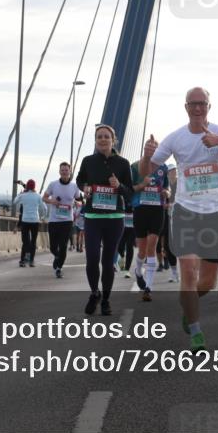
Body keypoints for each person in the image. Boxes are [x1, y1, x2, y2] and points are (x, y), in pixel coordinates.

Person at [141, 87, 218, 351]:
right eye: (192, 104)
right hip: (185, 212)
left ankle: (188, 305)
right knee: (189, 273)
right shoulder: (175, 138)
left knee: (208, 282)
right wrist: (147, 155)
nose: (197, 108)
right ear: (186, 107)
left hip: (215, 213)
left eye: (201, 103)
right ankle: (195, 331)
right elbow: (147, 171)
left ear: (208, 106)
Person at [75, 124, 133, 316]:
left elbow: (130, 193)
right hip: (93, 217)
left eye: (106, 136)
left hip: (115, 218)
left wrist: (119, 186)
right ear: (95, 140)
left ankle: (106, 300)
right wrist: (85, 187)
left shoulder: (123, 163)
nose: (102, 139)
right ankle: (95, 293)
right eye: (99, 136)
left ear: (113, 140)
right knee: (92, 259)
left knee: (107, 261)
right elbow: (80, 180)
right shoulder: (88, 161)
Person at [130, 159, 170, 301]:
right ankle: (138, 271)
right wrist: (142, 185)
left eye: (155, 149)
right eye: (149, 148)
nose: (152, 151)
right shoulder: (135, 166)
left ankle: (148, 287)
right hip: (140, 209)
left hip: (157, 210)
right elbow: (130, 188)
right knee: (142, 250)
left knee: (152, 246)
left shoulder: (163, 167)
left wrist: (166, 193)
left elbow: (167, 188)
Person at [43, 162, 82, 278]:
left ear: (70, 172)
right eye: (62, 170)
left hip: (67, 221)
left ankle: (59, 268)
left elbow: (80, 201)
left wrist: (77, 203)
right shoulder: (53, 184)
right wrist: (52, 201)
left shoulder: (74, 186)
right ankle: (57, 256)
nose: (64, 172)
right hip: (54, 220)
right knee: (53, 247)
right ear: (59, 172)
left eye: (66, 170)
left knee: (63, 245)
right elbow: (44, 198)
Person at [14, 179, 47, 267]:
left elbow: (15, 201)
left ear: (27, 186)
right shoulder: (38, 196)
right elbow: (45, 208)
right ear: (34, 187)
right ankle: (31, 261)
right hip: (35, 221)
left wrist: (20, 194)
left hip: (25, 220)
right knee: (33, 241)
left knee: (25, 242)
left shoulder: (23, 195)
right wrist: (43, 217)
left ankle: (22, 261)